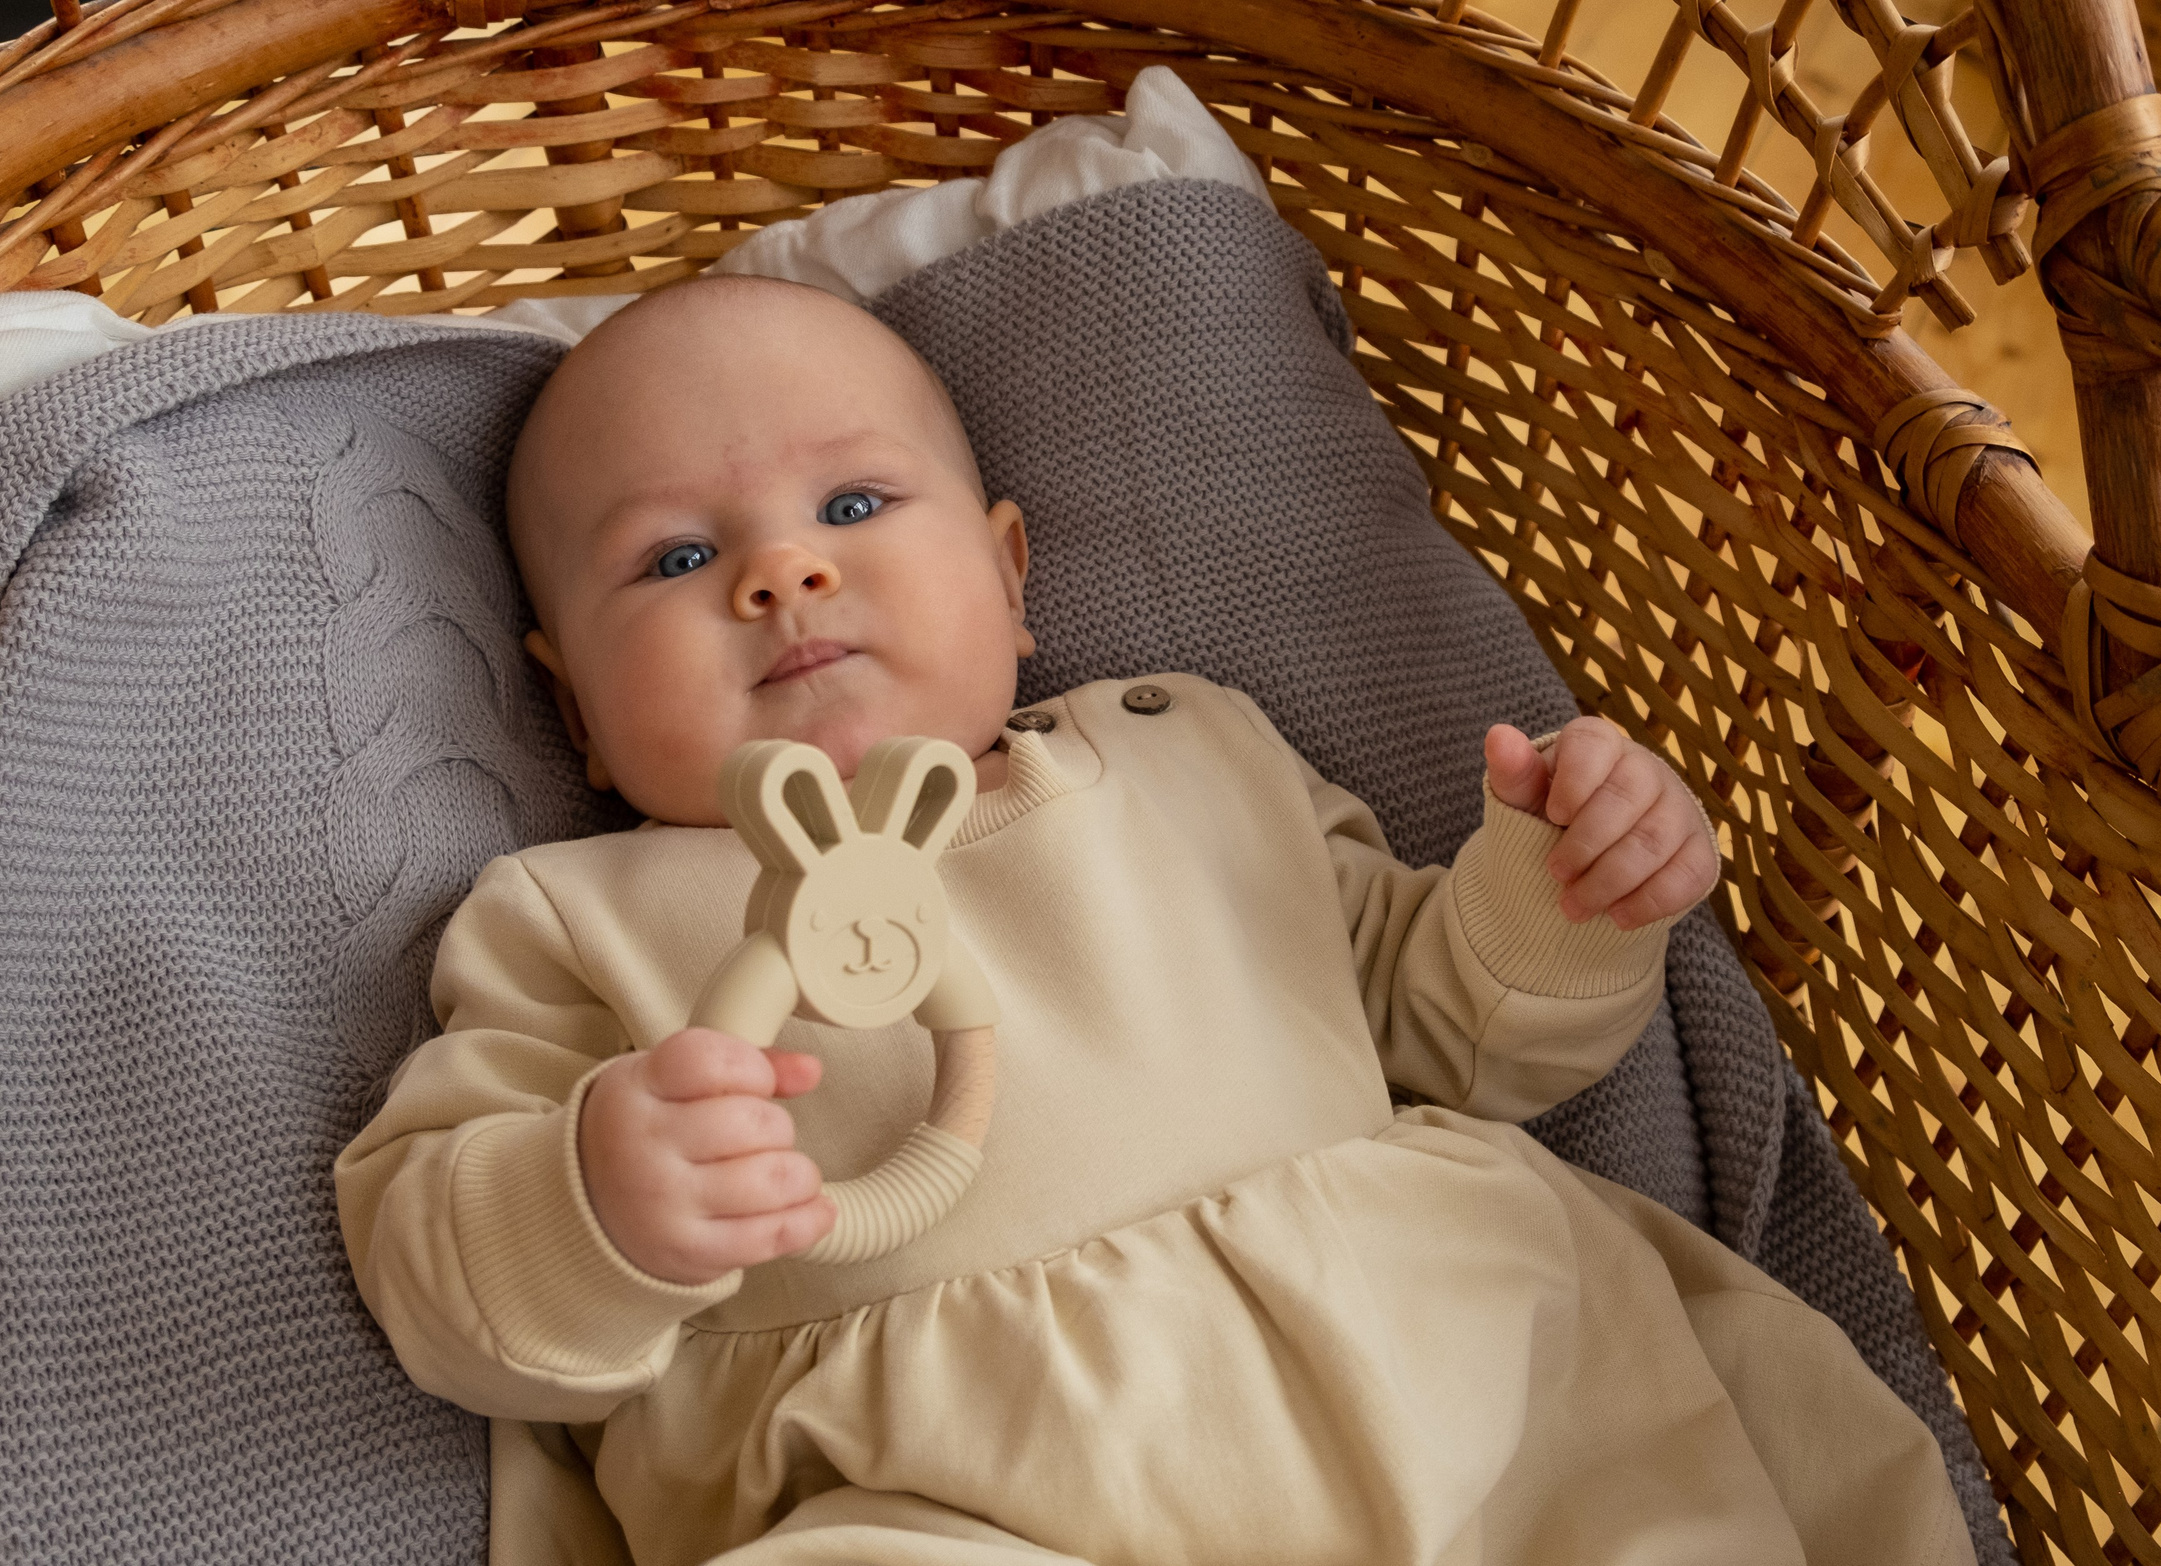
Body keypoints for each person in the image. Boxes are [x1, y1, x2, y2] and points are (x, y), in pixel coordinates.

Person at [335, 273, 1971, 1566]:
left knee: (1629, 1484)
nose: (783, 576)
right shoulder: (577, 915)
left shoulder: (1191, 748)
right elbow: (436, 1267)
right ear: (573, 718)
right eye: (679, 555)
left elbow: (1440, 1031)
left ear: (1012, 575)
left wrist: (1557, 895)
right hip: (955, 1490)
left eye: (851, 510)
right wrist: (598, 1201)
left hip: (1432, 1390)